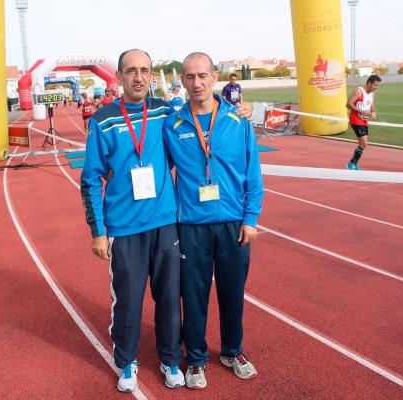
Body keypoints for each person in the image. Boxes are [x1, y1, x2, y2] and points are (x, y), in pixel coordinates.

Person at [80, 49, 185, 393]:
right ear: (120, 77)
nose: (138, 77)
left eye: (144, 71)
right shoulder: (104, 120)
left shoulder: (166, 112)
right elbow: (91, 178)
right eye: (131, 71)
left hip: (165, 223)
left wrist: (235, 110)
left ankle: (170, 358)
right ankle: (126, 361)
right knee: (127, 301)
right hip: (124, 229)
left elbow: (201, 122)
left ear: (152, 75)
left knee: (169, 297)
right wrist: (99, 232)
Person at [163, 52, 263, 390]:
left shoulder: (238, 121)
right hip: (191, 226)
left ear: (215, 77)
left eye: (203, 75)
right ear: (182, 81)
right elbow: (159, 169)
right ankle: (196, 358)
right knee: (194, 296)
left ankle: (232, 351)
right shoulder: (173, 125)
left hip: (234, 224)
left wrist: (251, 218)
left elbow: (253, 174)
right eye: (190, 77)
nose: (197, 83)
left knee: (233, 292)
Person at [346, 74, 381, 170]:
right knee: (364, 143)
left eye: (378, 86)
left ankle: (353, 163)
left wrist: (373, 111)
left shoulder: (372, 94)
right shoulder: (359, 91)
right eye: (375, 85)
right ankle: (351, 164)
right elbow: (348, 104)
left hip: (364, 120)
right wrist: (362, 111)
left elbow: (371, 106)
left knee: (362, 144)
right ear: (369, 83)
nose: (376, 88)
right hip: (356, 120)